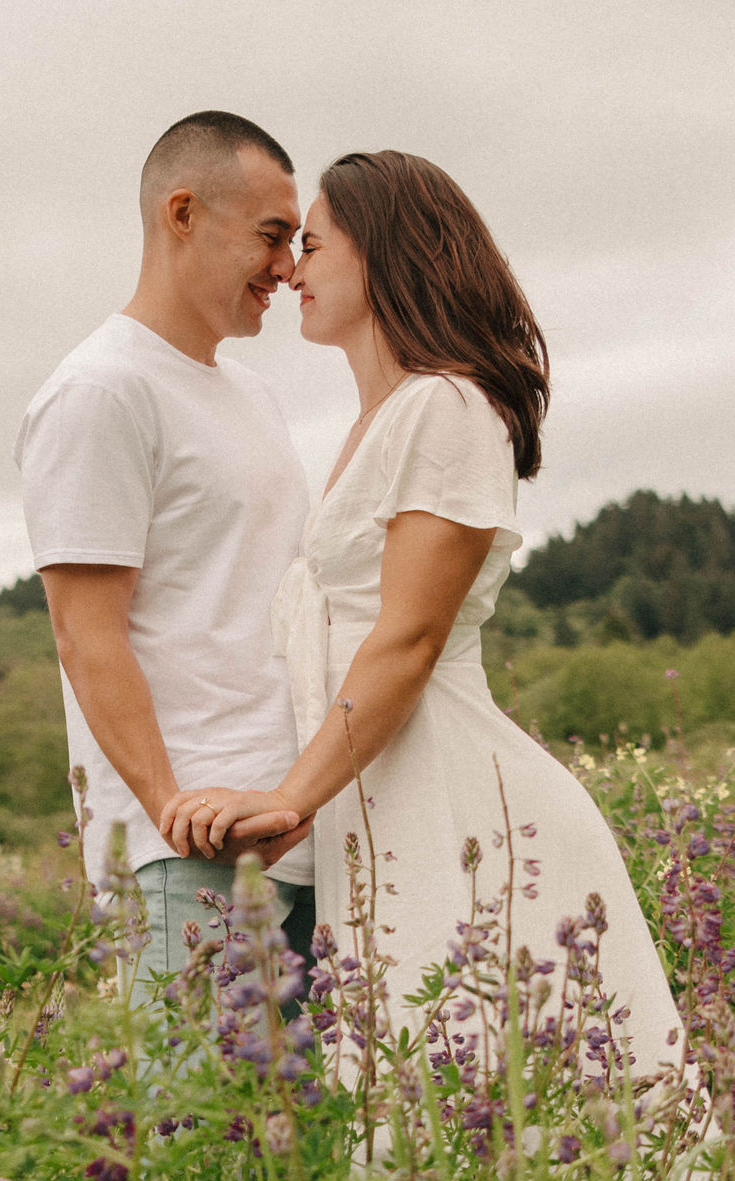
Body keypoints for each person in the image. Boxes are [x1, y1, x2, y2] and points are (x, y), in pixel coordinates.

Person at [157, 150, 687, 1076]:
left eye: (313, 245)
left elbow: (407, 638)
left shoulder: (447, 405)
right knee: (424, 1098)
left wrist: (289, 798)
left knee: (495, 1091)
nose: (290, 269)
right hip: (382, 799)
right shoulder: (383, 420)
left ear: (383, 257)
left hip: (458, 799)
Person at [15, 111, 315, 991]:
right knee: (200, 1127)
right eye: (271, 236)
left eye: (295, 243)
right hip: (189, 859)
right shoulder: (99, 393)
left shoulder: (253, 395)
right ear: (183, 213)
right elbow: (86, 633)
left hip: (297, 831)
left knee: (310, 1132)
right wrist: (170, 812)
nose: (287, 269)